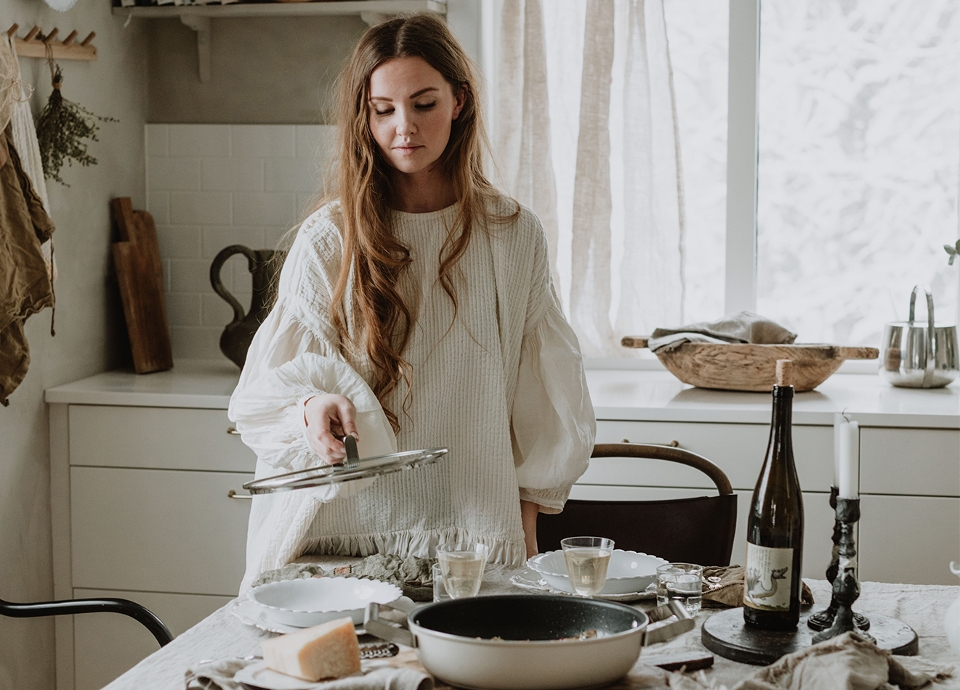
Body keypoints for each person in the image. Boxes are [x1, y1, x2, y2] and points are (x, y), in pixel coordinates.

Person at [229, 14, 595, 593]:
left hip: (476, 547)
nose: (405, 127)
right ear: (363, 117)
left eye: (424, 104)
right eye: (384, 109)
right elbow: (262, 398)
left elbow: (538, 408)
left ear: (460, 102)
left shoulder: (513, 234)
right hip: (336, 546)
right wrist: (312, 407)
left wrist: (524, 545)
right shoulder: (329, 240)